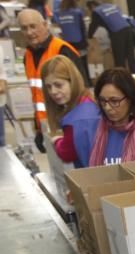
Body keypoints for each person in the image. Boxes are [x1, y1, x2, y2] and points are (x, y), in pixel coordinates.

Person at [19, 8, 83, 152]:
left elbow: (79, 92)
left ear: (45, 25)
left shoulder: (62, 50)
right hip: (46, 126)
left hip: (66, 125)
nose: (29, 32)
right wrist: (39, 129)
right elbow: (37, 95)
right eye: (24, 28)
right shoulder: (28, 56)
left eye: (33, 26)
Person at [40, 55, 99, 168]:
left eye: (58, 85)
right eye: (48, 87)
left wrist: (57, 141)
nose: (53, 92)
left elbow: (67, 154)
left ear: (72, 81)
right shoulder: (90, 102)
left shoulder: (74, 120)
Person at [86, 2, 134, 72]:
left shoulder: (96, 11)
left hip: (117, 33)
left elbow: (93, 26)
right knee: (130, 56)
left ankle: (121, 78)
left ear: (92, 6)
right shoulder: (111, 5)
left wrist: (89, 37)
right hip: (128, 28)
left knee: (119, 58)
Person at [53, 0, 90, 85]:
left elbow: (58, 26)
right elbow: (82, 27)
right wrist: (86, 42)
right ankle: (86, 83)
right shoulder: (77, 12)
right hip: (78, 41)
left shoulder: (59, 13)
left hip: (66, 43)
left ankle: (74, 83)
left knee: (71, 64)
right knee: (82, 64)